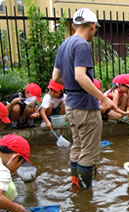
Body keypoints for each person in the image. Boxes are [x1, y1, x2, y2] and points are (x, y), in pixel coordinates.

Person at [52, 8, 117, 190]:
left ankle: (76, 187)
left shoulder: (64, 45)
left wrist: (73, 83)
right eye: (96, 28)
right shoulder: (82, 45)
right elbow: (80, 76)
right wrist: (103, 98)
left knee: (77, 147)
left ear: (74, 25)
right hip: (85, 107)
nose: (95, 32)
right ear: (92, 26)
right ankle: (85, 195)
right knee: (88, 152)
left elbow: (56, 78)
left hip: (72, 105)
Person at [0, 134, 32, 212]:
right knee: (10, 188)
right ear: (16, 157)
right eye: (20, 164)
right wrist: (15, 208)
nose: (18, 168)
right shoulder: (3, 171)